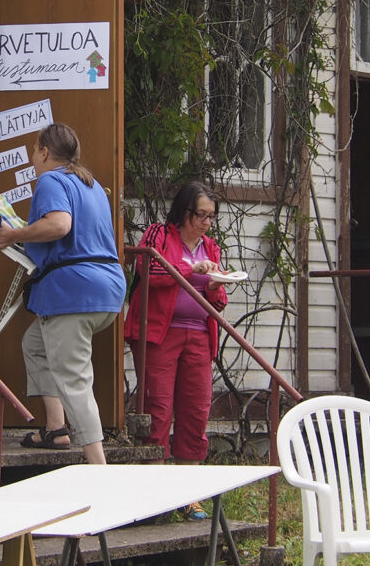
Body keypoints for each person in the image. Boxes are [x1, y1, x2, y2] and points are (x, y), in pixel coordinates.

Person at [0, 123, 126, 464]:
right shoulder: (89, 183)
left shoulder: (50, 180)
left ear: (45, 152)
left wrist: (11, 233)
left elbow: (60, 225)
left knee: (74, 378)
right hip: (106, 290)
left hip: (72, 292)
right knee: (35, 345)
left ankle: (99, 468)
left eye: (35, 150)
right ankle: (57, 428)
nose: (34, 158)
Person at [123, 181, 227, 516]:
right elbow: (148, 269)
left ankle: (187, 493)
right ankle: (156, 494)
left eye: (211, 217)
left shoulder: (211, 247)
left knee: (196, 409)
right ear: (183, 211)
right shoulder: (159, 234)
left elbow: (219, 301)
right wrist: (189, 269)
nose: (206, 222)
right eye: (201, 215)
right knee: (158, 406)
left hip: (198, 334)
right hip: (159, 333)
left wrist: (214, 284)